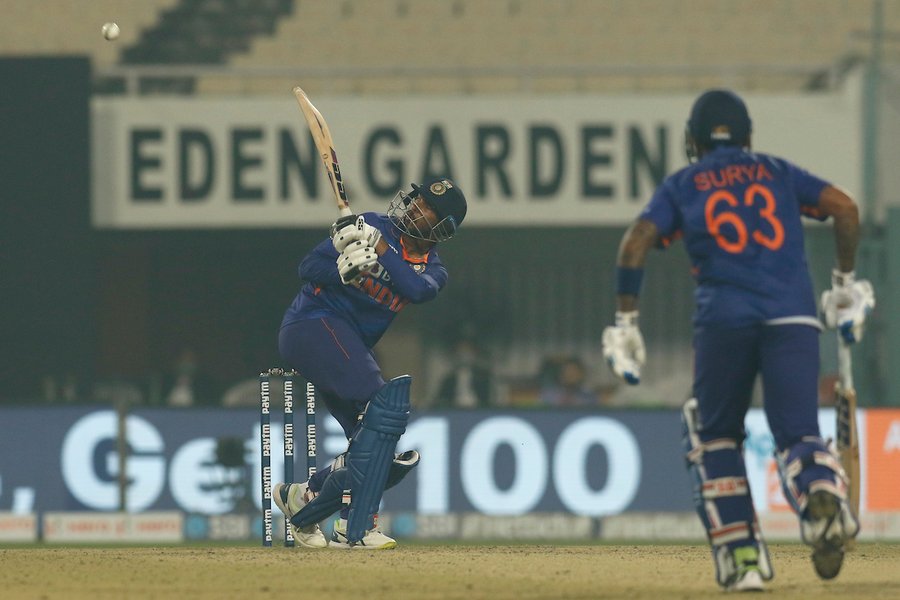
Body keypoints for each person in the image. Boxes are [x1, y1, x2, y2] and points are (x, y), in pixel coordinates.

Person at [601, 90, 874, 592]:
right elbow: (845, 207)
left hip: (724, 322)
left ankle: (744, 557)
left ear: (693, 141)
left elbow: (638, 237)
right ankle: (819, 493)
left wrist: (626, 320)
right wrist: (844, 283)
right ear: (748, 136)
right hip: (793, 318)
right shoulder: (776, 170)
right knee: (798, 433)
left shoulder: (683, 183)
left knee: (714, 435)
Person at [271, 176, 467, 549]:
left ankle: (307, 501)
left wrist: (380, 251)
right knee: (384, 408)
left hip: (345, 345)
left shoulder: (433, 271)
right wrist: (342, 271)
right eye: (417, 199)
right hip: (311, 325)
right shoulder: (372, 225)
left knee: (374, 444)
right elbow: (308, 267)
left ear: (442, 228)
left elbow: (416, 290)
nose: (413, 206)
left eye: (426, 207)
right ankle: (356, 529)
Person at [433, 337, 493, 408]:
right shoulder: (449, 379)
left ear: (474, 354)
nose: (464, 356)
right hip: (454, 411)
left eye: (468, 352)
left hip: (477, 411)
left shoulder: (483, 377)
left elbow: (488, 400)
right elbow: (440, 399)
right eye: (461, 352)